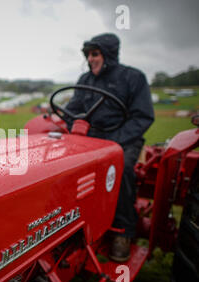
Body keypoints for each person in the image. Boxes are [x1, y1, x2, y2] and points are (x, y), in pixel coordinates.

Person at [65, 33, 154, 262]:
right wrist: (73, 125)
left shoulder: (133, 77)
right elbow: (73, 110)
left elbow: (142, 117)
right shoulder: (85, 79)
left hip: (123, 139)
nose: (91, 59)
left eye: (96, 54)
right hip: (91, 139)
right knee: (64, 166)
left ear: (109, 55)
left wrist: (115, 141)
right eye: (88, 55)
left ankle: (122, 231)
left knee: (120, 170)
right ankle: (68, 224)